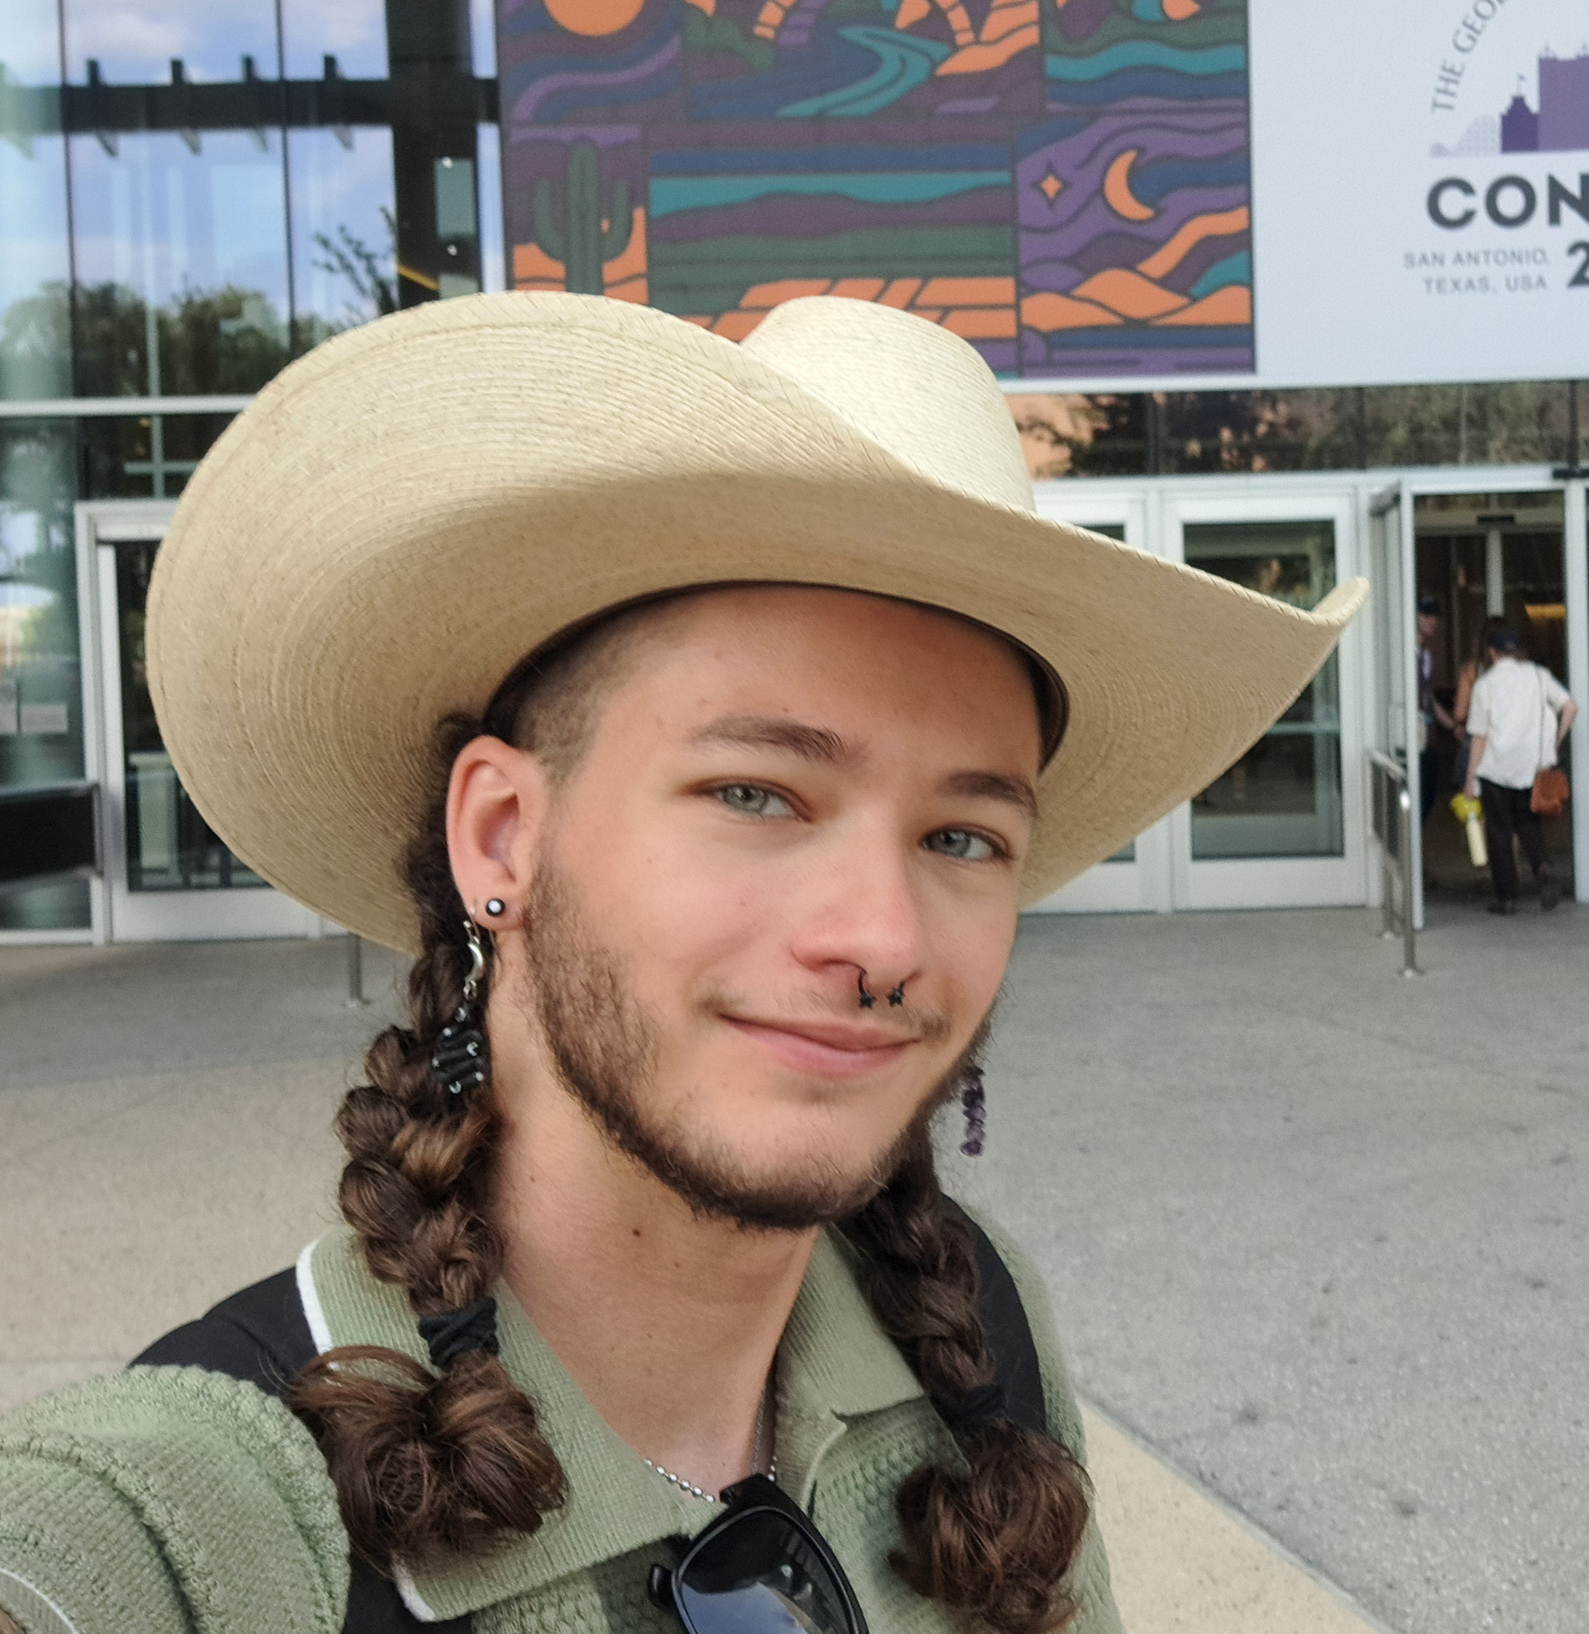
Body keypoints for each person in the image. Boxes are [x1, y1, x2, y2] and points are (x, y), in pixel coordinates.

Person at [0, 292, 1361, 1634]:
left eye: (962, 833)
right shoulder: (229, 1496)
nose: (885, 940)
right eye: (756, 795)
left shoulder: (972, 1330)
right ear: (503, 837)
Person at [1463, 626, 1576, 915]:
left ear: (1492, 653)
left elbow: (1480, 736)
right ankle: (1543, 867)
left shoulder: (1485, 684)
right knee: (1528, 824)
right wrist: (1556, 740)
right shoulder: (1539, 676)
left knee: (1499, 833)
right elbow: (1570, 707)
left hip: (1497, 767)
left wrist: (1470, 779)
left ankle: (1507, 898)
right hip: (1531, 766)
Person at [1415, 596, 1457, 802]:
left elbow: (1428, 697)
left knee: (1429, 797)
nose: (1433, 621)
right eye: (1426, 615)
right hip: (1410, 739)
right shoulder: (1404, 655)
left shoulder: (1426, 655)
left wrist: (1452, 726)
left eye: (1435, 616)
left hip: (1428, 738)